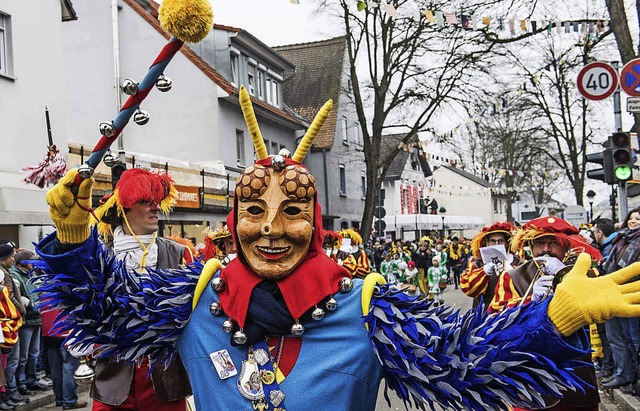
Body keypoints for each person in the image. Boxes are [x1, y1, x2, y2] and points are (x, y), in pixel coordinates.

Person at [33, 87, 640, 411]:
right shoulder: (196, 298)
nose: (271, 228)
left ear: (317, 222)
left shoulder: (368, 307)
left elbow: (463, 363)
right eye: (254, 211)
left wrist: (554, 316)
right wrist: (74, 240)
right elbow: (102, 313)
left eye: (293, 211)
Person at [52, 168, 194, 410]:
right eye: (145, 201)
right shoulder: (99, 255)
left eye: (157, 201)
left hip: (166, 384)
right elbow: (74, 298)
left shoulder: (179, 254)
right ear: (124, 208)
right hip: (113, 383)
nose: (155, 207)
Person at [490, 216, 603, 411]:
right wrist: (530, 302)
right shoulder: (512, 277)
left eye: (554, 243)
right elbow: (495, 318)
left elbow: (599, 304)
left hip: (576, 371)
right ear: (530, 246)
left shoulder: (587, 274)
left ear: (566, 246)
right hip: (530, 372)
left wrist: (566, 277)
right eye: (540, 242)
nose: (546, 249)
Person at [600, 209, 640, 392]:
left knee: (635, 339)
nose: (633, 221)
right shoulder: (622, 239)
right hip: (618, 293)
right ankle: (628, 377)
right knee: (625, 338)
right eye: (631, 218)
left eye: (638, 219)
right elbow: (613, 265)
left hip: (634, 294)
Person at [8, 250, 47, 397]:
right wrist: (30, 305)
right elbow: (18, 297)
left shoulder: (31, 275)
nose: (34, 263)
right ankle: (21, 382)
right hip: (27, 321)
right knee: (22, 356)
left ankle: (32, 379)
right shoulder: (15, 275)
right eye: (32, 261)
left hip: (37, 318)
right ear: (24, 263)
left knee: (34, 353)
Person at [461, 222, 517, 309]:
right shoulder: (477, 263)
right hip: (484, 315)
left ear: (506, 243)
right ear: (487, 243)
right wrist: (483, 272)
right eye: (493, 241)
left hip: (511, 312)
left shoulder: (518, 262)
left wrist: (513, 273)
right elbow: (468, 289)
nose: (497, 244)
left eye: (500, 241)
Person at [0, 242, 28, 407]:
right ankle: (10, 391)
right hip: (7, 324)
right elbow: (8, 299)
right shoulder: (4, 276)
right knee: (11, 360)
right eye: (11, 256)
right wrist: (21, 309)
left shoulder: (6, 273)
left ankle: (9, 392)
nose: (13, 259)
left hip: (8, 324)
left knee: (12, 360)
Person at [40, 308, 82, 409]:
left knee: (56, 369)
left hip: (49, 331)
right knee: (69, 368)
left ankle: (60, 398)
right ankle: (69, 400)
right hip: (65, 331)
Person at [591, 218, 616, 380]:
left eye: (594, 232)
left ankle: (610, 368)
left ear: (600, 232)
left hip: (608, 299)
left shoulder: (608, 249)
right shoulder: (609, 246)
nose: (593, 236)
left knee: (613, 338)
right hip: (608, 298)